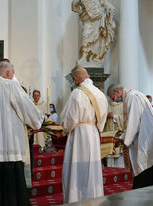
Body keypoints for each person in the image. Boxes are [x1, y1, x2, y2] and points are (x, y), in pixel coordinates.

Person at [0, 62, 44, 206]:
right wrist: (40, 121)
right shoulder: (10, 86)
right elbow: (26, 107)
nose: (13, 76)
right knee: (12, 191)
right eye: (13, 73)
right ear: (8, 73)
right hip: (9, 145)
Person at [61, 67, 108, 203]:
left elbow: (69, 118)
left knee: (77, 169)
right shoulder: (99, 93)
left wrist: (63, 128)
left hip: (79, 134)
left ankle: (76, 199)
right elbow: (103, 117)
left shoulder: (77, 93)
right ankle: (93, 199)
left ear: (76, 79)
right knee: (91, 170)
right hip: (93, 132)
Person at [107, 84, 153, 189]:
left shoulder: (132, 97)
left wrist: (125, 140)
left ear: (117, 92)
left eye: (112, 97)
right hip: (146, 135)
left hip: (145, 137)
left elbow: (133, 121)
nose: (113, 100)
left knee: (145, 165)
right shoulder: (133, 95)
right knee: (148, 165)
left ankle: (142, 191)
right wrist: (123, 137)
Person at [71, 0, 116, 67]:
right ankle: (84, 57)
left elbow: (104, 2)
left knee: (97, 39)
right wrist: (78, 9)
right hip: (88, 18)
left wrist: (111, 8)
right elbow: (74, 5)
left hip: (98, 18)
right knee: (86, 35)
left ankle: (93, 58)